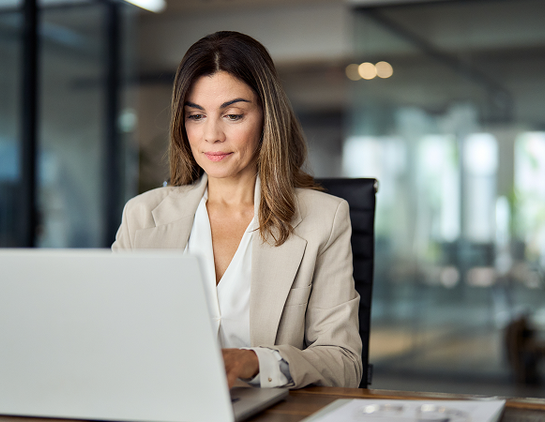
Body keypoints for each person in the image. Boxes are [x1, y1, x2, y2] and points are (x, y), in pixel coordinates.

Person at [112, 31, 361, 389]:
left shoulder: (324, 219)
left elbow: (344, 363)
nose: (211, 135)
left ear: (265, 118)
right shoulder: (142, 216)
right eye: (196, 116)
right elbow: (110, 335)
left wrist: (256, 361)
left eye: (232, 115)